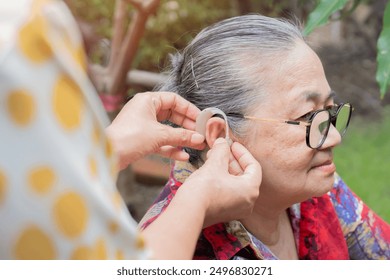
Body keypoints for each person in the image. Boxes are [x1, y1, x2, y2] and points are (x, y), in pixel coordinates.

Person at [0, 0, 262, 260]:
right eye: (302, 116)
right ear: (217, 132)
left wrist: (110, 147)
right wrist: (198, 198)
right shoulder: (21, 34)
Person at [139, 14, 390, 260]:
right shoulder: (177, 253)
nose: (333, 137)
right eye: (307, 116)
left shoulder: (313, 183)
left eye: (329, 111)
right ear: (220, 136)